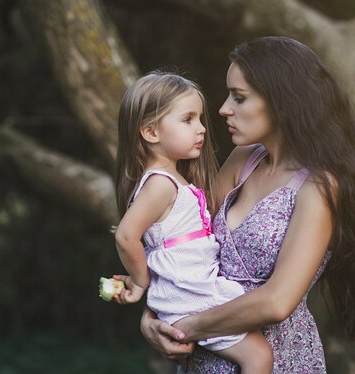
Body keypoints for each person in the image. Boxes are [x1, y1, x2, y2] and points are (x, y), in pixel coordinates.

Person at [140, 37, 355, 373]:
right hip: (205, 358)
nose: (223, 109)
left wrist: (186, 327)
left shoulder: (317, 188)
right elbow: (184, 243)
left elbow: (277, 301)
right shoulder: (245, 159)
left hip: (278, 359)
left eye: (239, 97)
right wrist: (151, 321)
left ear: (282, 102)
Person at [111, 71, 274, 373]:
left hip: (193, 289)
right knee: (258, 356)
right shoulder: (161, 184)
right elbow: (125, 236)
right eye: (187, 120)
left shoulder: (173, 180)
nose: (201, 129)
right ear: (150, 132)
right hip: (192, 295)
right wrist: (139, 282)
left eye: (199, 119)